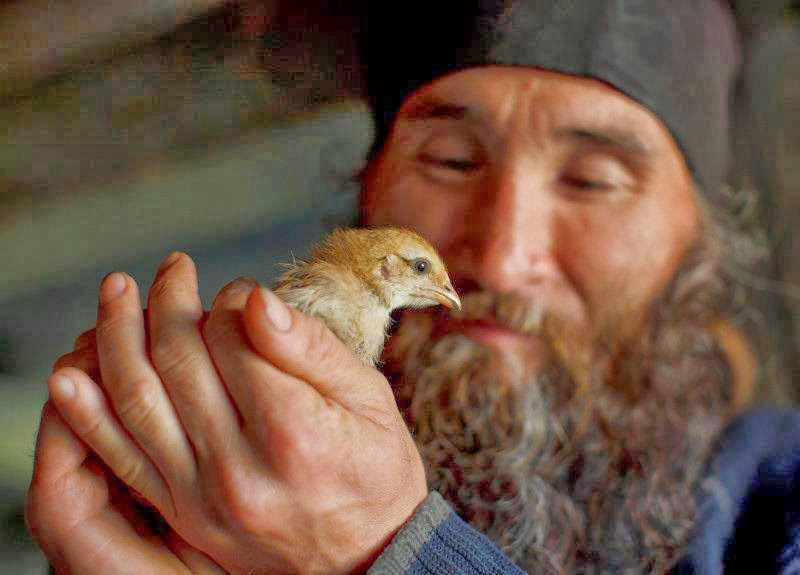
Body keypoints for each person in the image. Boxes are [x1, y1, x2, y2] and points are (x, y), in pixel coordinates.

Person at [25, 1, 800, 573]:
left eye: (592, 180)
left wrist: (387, 552)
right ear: (370, 195)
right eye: (452, 162)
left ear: (702, 246)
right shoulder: (199, 503)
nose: (499, 256)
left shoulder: (784, 511)